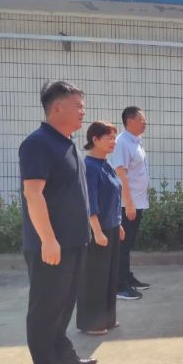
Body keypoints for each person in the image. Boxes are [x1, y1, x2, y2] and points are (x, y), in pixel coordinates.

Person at [19, 81, 95, 364]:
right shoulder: (37, 144)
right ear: (57, 107)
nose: (83, 112)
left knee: (63, 305)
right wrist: (48, 241)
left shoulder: (66, 143)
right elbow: (33, 194)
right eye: (78, 106)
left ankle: (63, 355)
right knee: (46, 309)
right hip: (51, 246)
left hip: (73, 242)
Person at [77, 121, 125, 335]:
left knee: (110, 275)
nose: (114, 142)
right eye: (109, 138)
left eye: (114, 137)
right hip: (97, 229)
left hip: (111, 227)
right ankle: (92, 323)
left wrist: (118, 224)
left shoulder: (105, 164)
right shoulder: (90, 167)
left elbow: (113, 197)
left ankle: (107, 319)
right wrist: (97, 231)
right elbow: (90, 202)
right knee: (95, 277)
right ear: (95, 140)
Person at [112, 106, 151, 300]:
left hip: (137, 202)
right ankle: (119, 286)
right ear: (130, 121)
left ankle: (126, 277)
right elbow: (120, 173)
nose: (145, 123)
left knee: (127, 244)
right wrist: (128, 202)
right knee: (123, 245)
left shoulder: (135, 142)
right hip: (127, 204)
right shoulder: (122, 143)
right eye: (141, 119)